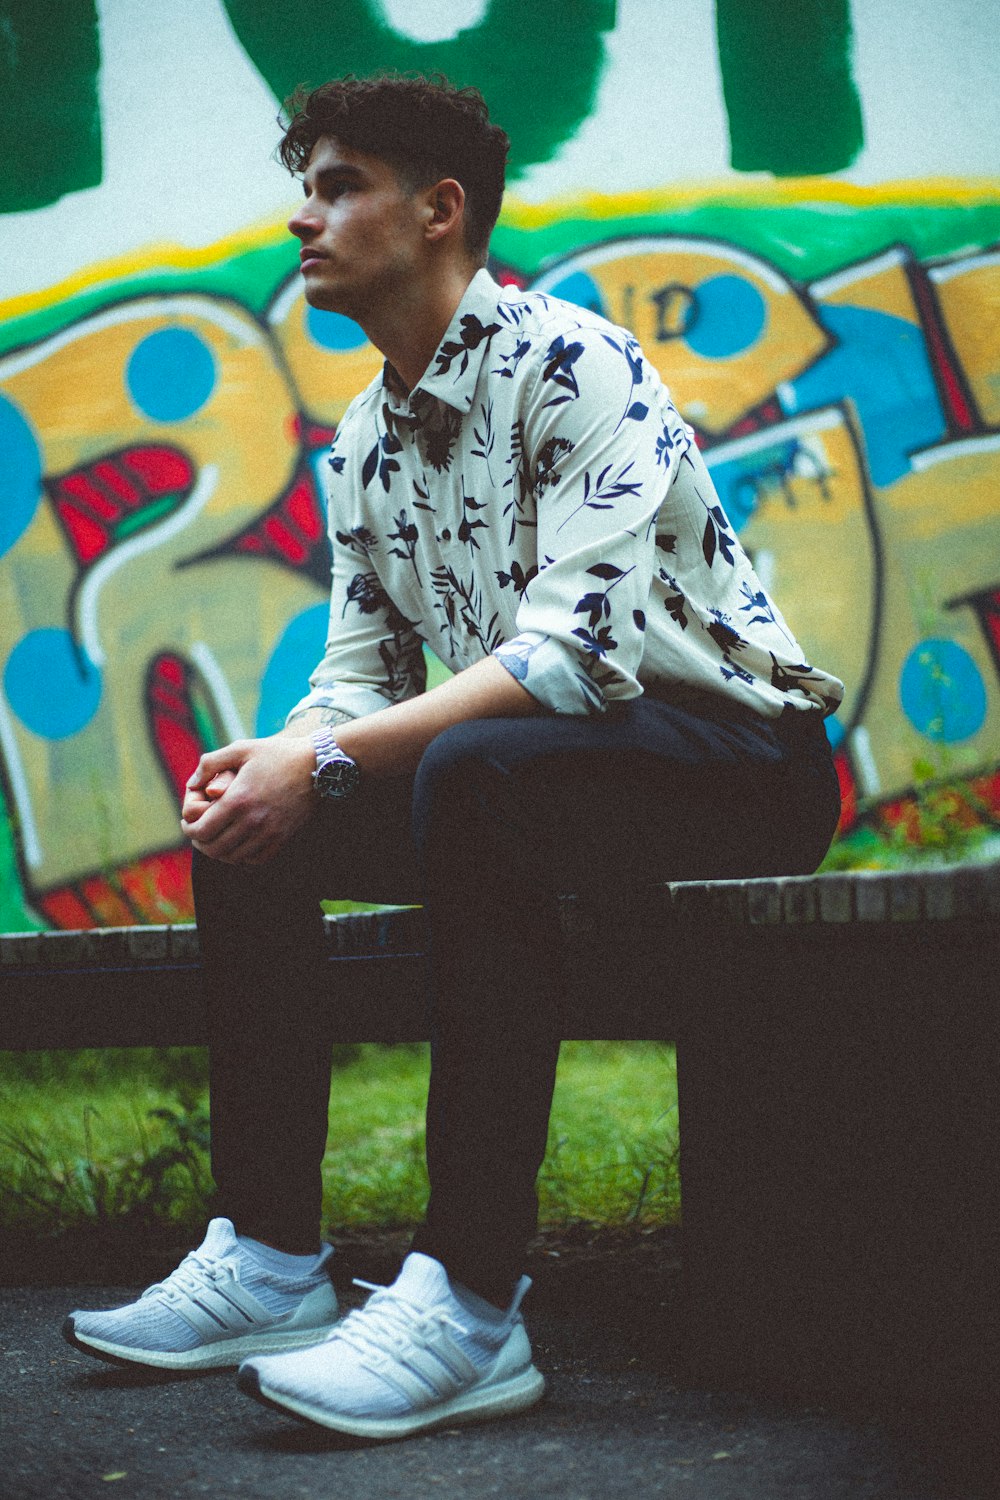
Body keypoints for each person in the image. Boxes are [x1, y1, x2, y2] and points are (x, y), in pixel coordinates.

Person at [63, 74, 843, 1440]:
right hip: (549, 783)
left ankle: (471, 1302)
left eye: (338, 184)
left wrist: (336, 757)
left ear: (440, 211)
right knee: (256, 814)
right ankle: (267, 1256)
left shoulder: (575, 362)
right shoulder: (363, 441)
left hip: (738, 766)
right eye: (302, 183)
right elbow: (358, 675)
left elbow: (570, 663)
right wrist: (281, 758)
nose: (302, 216)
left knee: (473, 773)